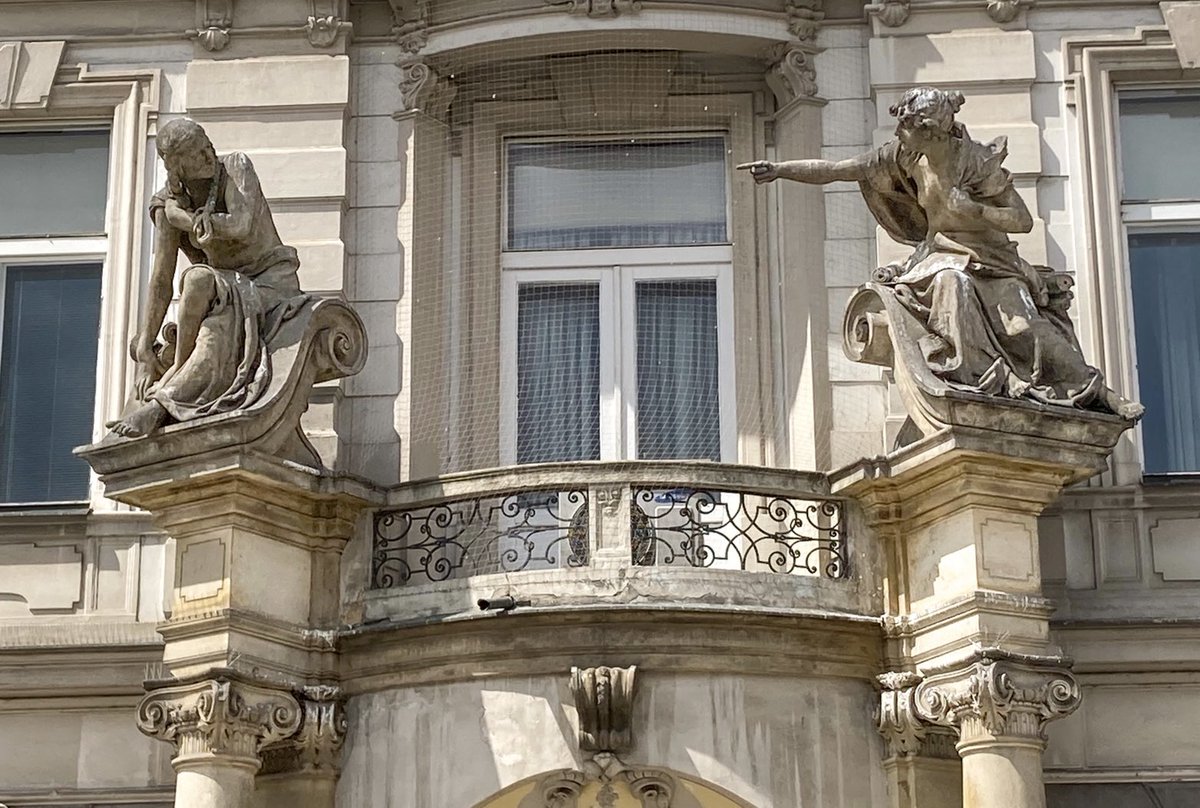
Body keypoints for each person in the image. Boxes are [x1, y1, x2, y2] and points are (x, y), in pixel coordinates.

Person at [738, 86, 1143, 420]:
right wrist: (780, 169)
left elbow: (1021, 221)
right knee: (951, 284)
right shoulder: (904, 156)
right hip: (939, 256)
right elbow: (839, 169)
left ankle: (1101, 393)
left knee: (1026, 329)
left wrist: (973, 209)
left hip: (991, 258)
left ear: (930, 131)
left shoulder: (976, 162)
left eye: (907, 130)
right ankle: (966, 381)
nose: (898, 136)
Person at [106, 118, 308, 438]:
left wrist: (184, 219)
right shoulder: (167, 205)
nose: (208, 154)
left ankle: (161, 404)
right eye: (195, 153)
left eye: (206, 144)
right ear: (177, 167)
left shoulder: (235, 168)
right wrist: (145, 346)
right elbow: (162, 278)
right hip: (225, 286)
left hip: (271, 283)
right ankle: (179, 367)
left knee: (216, 328)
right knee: (197, 278)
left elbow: (241, 225)